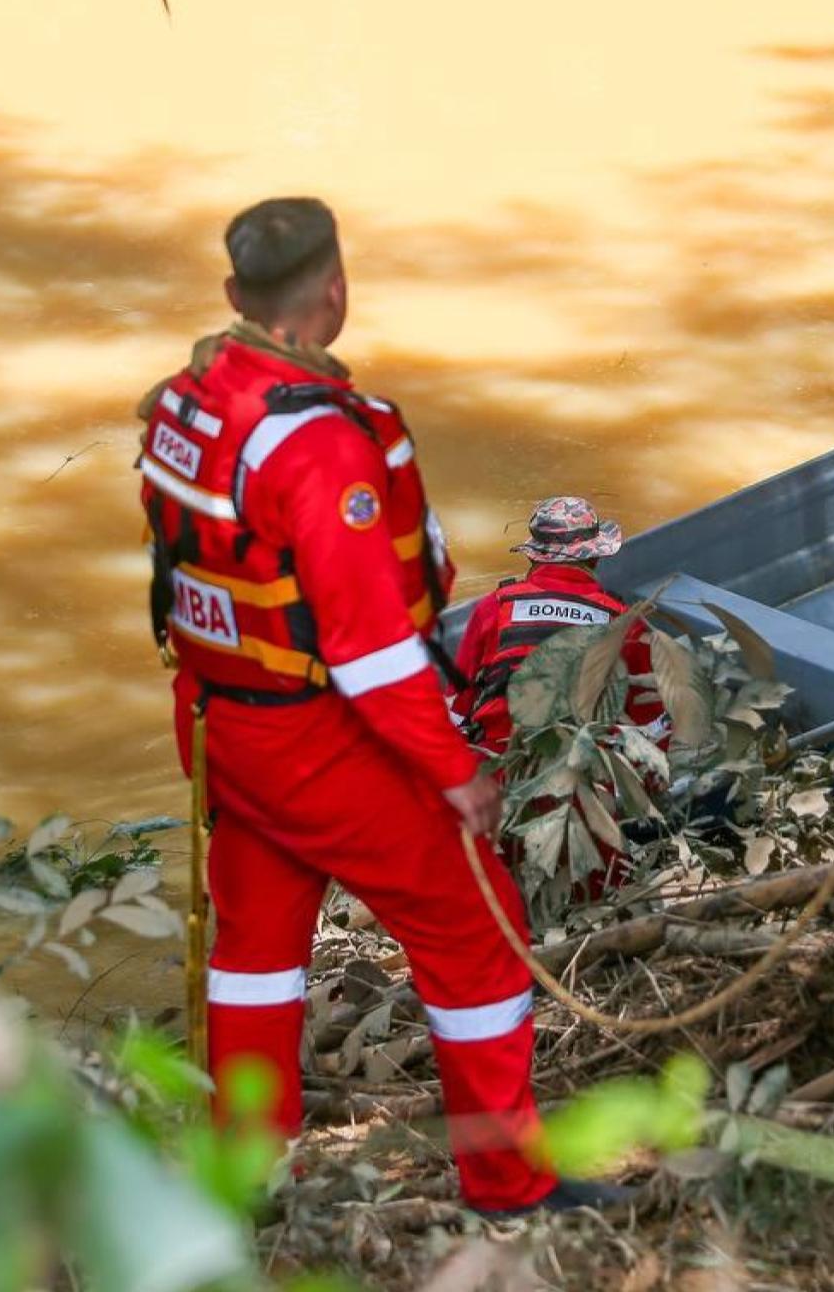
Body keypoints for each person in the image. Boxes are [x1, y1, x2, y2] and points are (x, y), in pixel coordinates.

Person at [135, 197, 620, 1216]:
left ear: (235, 298)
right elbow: (365, 649)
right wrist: (456, 769)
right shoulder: (320, 447)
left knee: (256, 946)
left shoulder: (188, 399)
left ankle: (245, 1168)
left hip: (221, 722)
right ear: (337, 290)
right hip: (318, 735)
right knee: (474, 936)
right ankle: (508, 1178)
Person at [453, 495, 660, 754]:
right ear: (595, 558)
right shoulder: (624, 622)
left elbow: (459, 705)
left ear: (533, 557)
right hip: (582, 777)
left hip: (498, 764)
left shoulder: (494, 607)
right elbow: (649, 718)